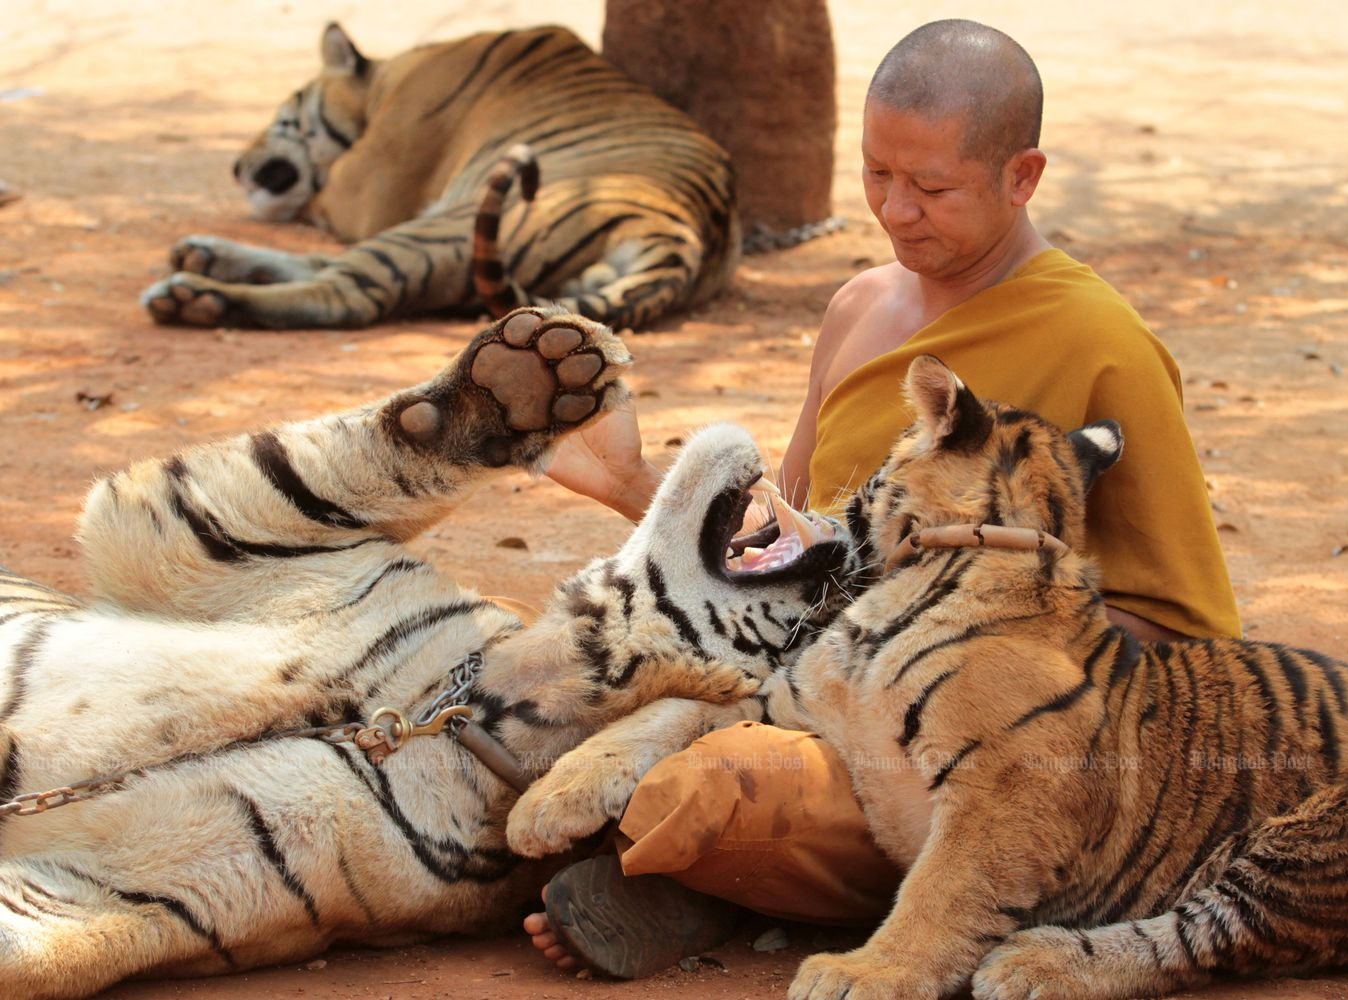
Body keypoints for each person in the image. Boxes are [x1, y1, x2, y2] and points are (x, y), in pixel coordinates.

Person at [522, 19, 1240, 977]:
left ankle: (699, 883)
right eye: (876, 177)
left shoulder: (1104, 343)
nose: (897, 212)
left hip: (957, 738)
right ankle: (683, 876)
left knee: (724, 786)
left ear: (1021, 176)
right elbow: (792, 553)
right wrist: (632, 486)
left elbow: (1184, 633)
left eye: (933, 188)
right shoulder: (858, 307)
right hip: (781, 675)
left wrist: (948, 662)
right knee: (529, 693)